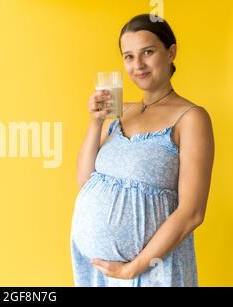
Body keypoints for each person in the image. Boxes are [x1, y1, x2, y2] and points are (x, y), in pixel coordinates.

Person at [70, 14, 215, 286]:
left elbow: (192, 212)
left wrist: (132, 269)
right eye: (128, 56)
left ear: (171, 52)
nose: (138, 65)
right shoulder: (118, 112)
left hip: (152, 273)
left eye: (147, 52)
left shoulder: (191, 118)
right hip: (100, 274)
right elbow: (84, 182)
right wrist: (95, 122)